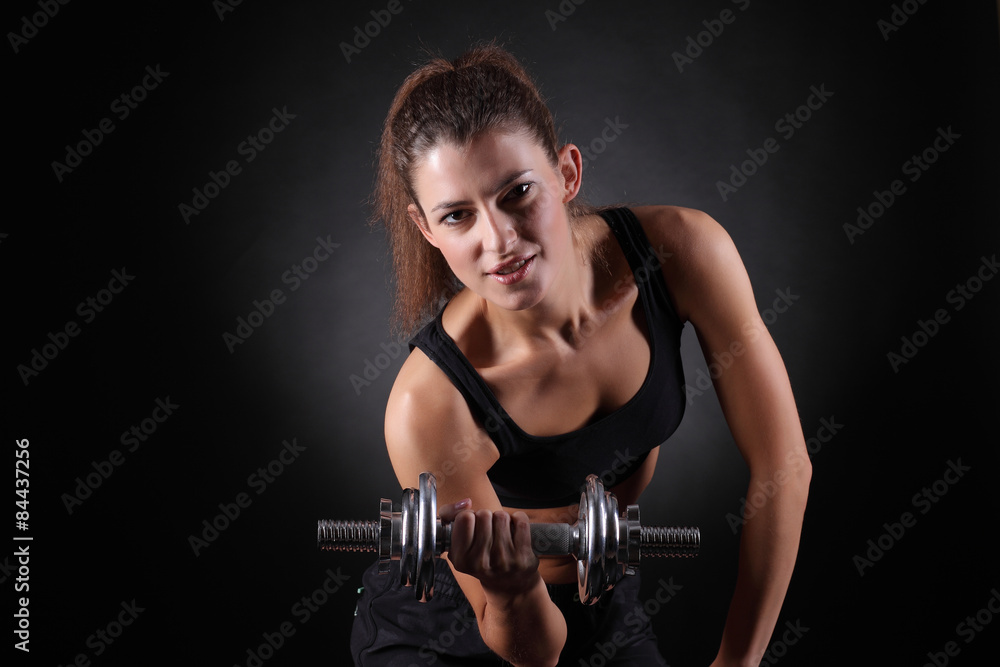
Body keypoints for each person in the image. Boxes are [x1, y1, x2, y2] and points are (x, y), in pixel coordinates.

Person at [350, 43, 811, 667]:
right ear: (427, 230)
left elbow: (784, 468)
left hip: (602, 591)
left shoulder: (682, 253)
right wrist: (512, 588)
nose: (499, 239)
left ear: (567, 174)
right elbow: (533, 651)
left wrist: (739, 662)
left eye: (517, 192)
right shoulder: (429, 404)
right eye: (457, 216)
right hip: (460, 623)